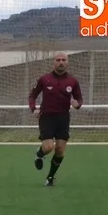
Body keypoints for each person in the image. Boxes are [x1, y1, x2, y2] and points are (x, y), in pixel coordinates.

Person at [29, 52, 82, 186]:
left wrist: (77, 104)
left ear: (67, 62)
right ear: (53, 62)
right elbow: (32, 95)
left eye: (63, 60)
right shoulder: (44, 79)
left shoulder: (73, 81)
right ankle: (40, 154)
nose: (61, 62)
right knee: (48, 147)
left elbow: (79, 99)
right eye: (58, 60)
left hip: (63, 118)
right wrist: (33, 109)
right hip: (47, 117)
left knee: (59, 150)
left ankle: (50, 177)